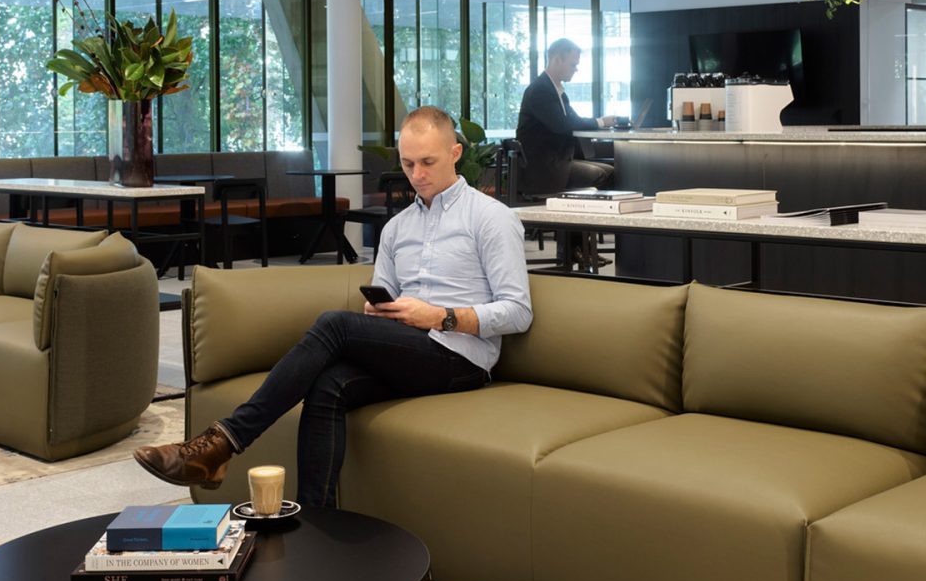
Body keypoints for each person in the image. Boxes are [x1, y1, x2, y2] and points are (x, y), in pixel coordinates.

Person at [135, 106, 532, 509]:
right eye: (408, 163)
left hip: (461, 360)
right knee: (328, 387)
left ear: (455, 152)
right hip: (408, 351)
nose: (418, 174)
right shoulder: (397, 228)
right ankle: (316, 525)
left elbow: (518, 311)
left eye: (428, 162)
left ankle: (222, 443)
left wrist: (441, 316)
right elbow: (386, 294)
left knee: (334, 326)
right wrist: (379, 312)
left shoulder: (491, 218)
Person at [515, 38, 619, 195]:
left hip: (558, 162)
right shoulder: (540, 90)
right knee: (606, 174)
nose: (576, 69)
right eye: (573, 64)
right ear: (557, 60)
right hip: (544, 169)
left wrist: (601, 121)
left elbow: (573, 120)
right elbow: (563, 124)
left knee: (611, 170)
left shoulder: (557, 91)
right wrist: (601, 121)